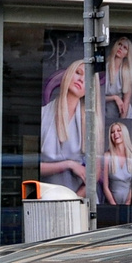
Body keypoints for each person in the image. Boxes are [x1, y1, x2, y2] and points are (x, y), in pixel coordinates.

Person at [40, 61, 91, 195]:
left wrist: (73, 200)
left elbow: (94, 175)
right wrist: (69, 164)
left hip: (77, 203)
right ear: (68, 74)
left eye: (87, 78)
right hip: (43, 199)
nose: (81, 79)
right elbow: (30, 167)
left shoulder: (91, 123)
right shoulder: (43, 114)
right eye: (78, 73)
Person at [100, 120, 132, 205]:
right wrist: (114, 205)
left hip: (128, 205)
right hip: (111, 205)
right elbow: (105, 187)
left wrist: (128, 202)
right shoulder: (107, 156)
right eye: (112, 132)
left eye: (119, 130)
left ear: (125, 133)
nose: (115, 134)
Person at [104, 36, 132, 122]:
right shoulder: (104, 67)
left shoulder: (126, 72)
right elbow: (97, 97)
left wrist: (121, 122)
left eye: (125, 48)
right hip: (105, 112)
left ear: (127, 54)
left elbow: (126, 103)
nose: (121, 48)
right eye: (119, 44)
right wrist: (114, 97)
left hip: (122, 115)